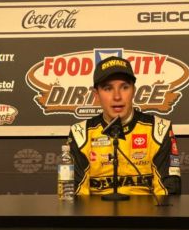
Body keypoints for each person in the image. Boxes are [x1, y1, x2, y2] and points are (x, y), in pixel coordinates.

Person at [67, 56, 181, 196]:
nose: (117, 96)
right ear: (96, 95)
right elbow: (74, 196)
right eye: (108, 88)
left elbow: (169, 193)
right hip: (96, 216)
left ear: (134, 90)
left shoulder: (159, 130)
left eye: (124, 87)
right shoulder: (80, 134)